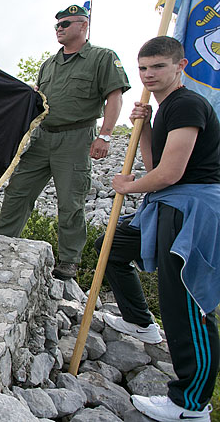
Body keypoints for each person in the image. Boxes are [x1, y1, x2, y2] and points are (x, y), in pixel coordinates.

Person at [93, 37, 218, 422]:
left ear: (180, 65)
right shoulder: (163, 109)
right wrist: (143, 128)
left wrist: (127, 187)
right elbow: (154, 163)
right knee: (109, 246)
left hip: (193, 209)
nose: (148, 74)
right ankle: (139, 321)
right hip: (169, 203)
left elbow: (171, 174)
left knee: (184, 300)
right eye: (143, 68)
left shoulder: (185, 104)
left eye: (157, 67)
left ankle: (190, 404)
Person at [0, 5, 130, 280]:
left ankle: (69, 260)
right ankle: (1, 243)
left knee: (71, 202)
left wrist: (104, 135)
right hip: (43, 136)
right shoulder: (49, 64)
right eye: (57, 25)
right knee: (17, 192)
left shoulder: (102, 57)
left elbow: (114, 96)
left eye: (66, 24)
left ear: (83, 26)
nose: (59, 28)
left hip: (77, 138)